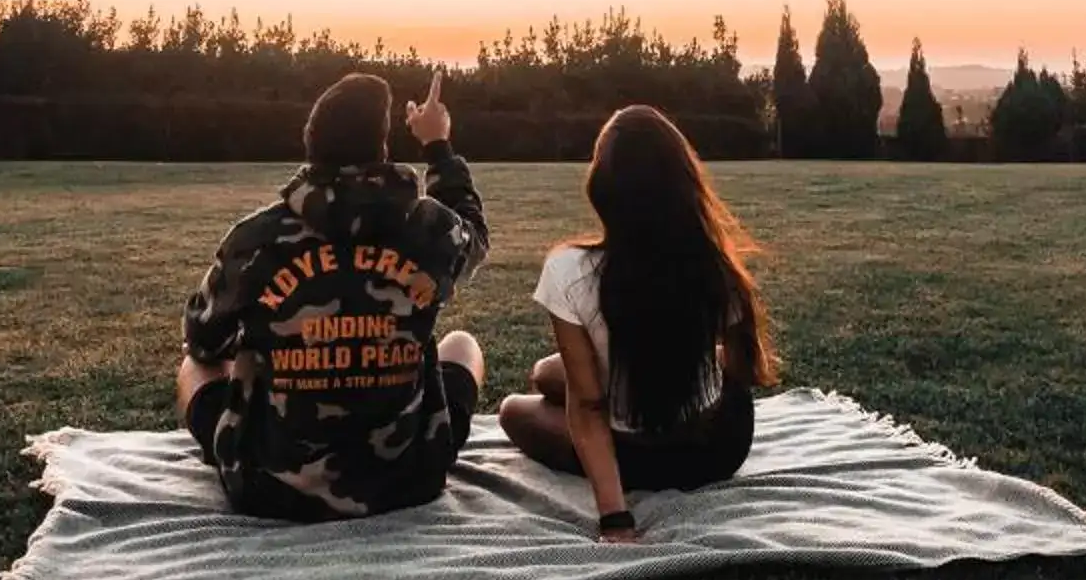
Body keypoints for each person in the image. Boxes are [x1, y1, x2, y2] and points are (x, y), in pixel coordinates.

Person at [177, 67, 487, 521]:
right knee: (462, 345)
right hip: (408, 481)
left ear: (310, 144)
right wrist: (437, 145)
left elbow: (204, 340)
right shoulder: (430, 228)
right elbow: (475, 238)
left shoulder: (256, 237)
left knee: (194, 365)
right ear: (382, 148)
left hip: (272, 489)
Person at [497, 104, 779, 541]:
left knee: (515, 408)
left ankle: (632, 397)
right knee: (547, 372)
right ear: (685, 183)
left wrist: (615, 518)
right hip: (719, 449)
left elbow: (588, 407)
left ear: (602, 187)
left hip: (638, 455)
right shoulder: (714, 264)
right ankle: (639, 388)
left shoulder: (570, 270)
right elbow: (745, 367)